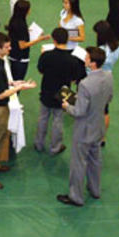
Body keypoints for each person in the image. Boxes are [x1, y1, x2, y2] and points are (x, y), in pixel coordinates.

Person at [57, 46, 113, 207]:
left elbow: (79, 111)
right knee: (95, 160)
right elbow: (109, 97)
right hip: (99, 126)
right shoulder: (109, 76)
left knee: (78, 163)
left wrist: (67, 106)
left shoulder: (85, 84)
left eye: (87, 58)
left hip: (84, 130)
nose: (85, 60)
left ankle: (76, 197)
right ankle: (95, 190)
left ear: (93, 63)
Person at [0, 32, 37, 189]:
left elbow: (1, 83)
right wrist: (20, 87)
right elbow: (1, 94)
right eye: (6, 47)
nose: (10, 48)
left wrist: (13, 82)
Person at [35, 27, 85, 155]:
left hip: (46, 89)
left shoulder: (46, 56)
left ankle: (38, 144)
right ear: (67, 40)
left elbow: (40, 70)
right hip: (63, 93)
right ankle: (55, 147)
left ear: (54, 40)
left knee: (43, 117)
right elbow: (75, 79)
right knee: (58, 120)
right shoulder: (73, 60)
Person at [7, 0, 50, 80]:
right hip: (20, 59)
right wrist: (40, 39)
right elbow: (22, 46)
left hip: (13, 54)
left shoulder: (14, 19)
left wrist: (27, 31)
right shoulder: (21, 25)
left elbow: (15, 34)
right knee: (18, 81)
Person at [93, 20, 119, 146]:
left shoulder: (101, 51)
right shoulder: (116, 47)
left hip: (97, 79)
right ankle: (102, 137)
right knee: (105, 110)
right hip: (109, 78)